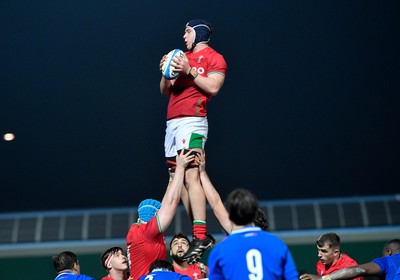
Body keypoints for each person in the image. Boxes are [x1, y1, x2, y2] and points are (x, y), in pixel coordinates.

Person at [159, 18, 228, 264]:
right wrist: (166, 73)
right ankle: (198, 232)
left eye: (187, 32)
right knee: (176, 178)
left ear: (199, 33)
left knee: (191, 174)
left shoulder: (214, 58)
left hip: (193, 121)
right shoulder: (180, 56)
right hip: (172, 123)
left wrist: (188, 69)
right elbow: (166, 90)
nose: (184, 36)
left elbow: (214, 87)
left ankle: (200, 236)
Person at [126, 149, 195, 280]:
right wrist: (180, 167)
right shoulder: (146, 233)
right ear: (153, 215)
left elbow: (166, 204)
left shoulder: (137, 232)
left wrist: (172, 179)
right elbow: (172, 203)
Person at [207, 188, 299, 280]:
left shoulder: (220, 250)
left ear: (230, 216)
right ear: (255, 212)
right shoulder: (276, 244)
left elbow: (216, 205)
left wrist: (201, 174)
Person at [195, 152, 269, 233]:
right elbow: (216, 204)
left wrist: (202, 172)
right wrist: (202, 173)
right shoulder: (273, 242)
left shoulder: (236, 231)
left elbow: (216, 204)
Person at [299, 239, 400, 280]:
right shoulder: (320, 265)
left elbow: (359, 270)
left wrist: (323, 279)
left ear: (389, 252)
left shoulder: (388, 261)